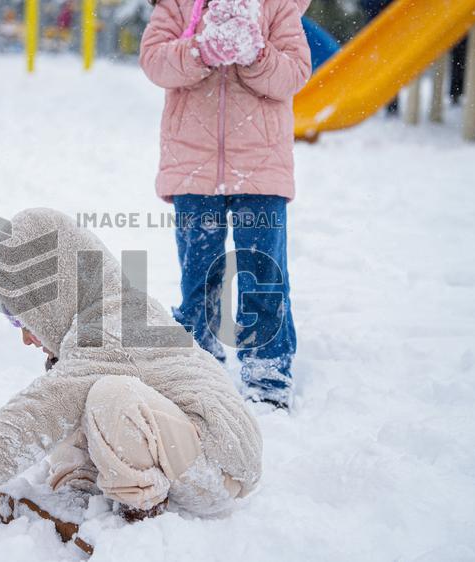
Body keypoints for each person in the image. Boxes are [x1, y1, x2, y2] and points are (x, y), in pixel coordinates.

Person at [0, 209, 262, 519]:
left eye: (21, 319)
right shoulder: (92, 329)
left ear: (51, 295)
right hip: (188, 452)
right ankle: (78, 490)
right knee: (75, 389)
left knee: (102, 395)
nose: (26, 337)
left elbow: (45, 406)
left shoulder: (116, 321)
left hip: (218, 463)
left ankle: (140, 505)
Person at [139, 0, 311, 409]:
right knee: (199, 272)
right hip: (192, 165)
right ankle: (198, 358)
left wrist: (256, 53)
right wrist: (199, 50)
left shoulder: (276, 6)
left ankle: (267, 366)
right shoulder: (179, 6)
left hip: (261, 164)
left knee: (261, 269)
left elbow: (294, 74)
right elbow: (154, 62)